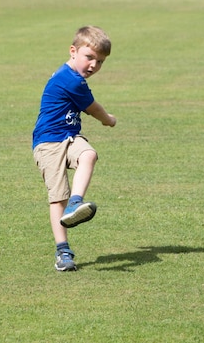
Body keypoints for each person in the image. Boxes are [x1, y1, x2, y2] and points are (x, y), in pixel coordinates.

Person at [32, 25, 117, 272]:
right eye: (89, 57)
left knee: (89, 154)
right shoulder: (70, 80)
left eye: (100, 61)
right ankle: (63, 252)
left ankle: (76, 202)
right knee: (57, 197)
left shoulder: (72, 75)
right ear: (73, 52)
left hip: (69, 135)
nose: (94, 65)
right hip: (48, 142)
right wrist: (108, 120)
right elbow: (94, 109)